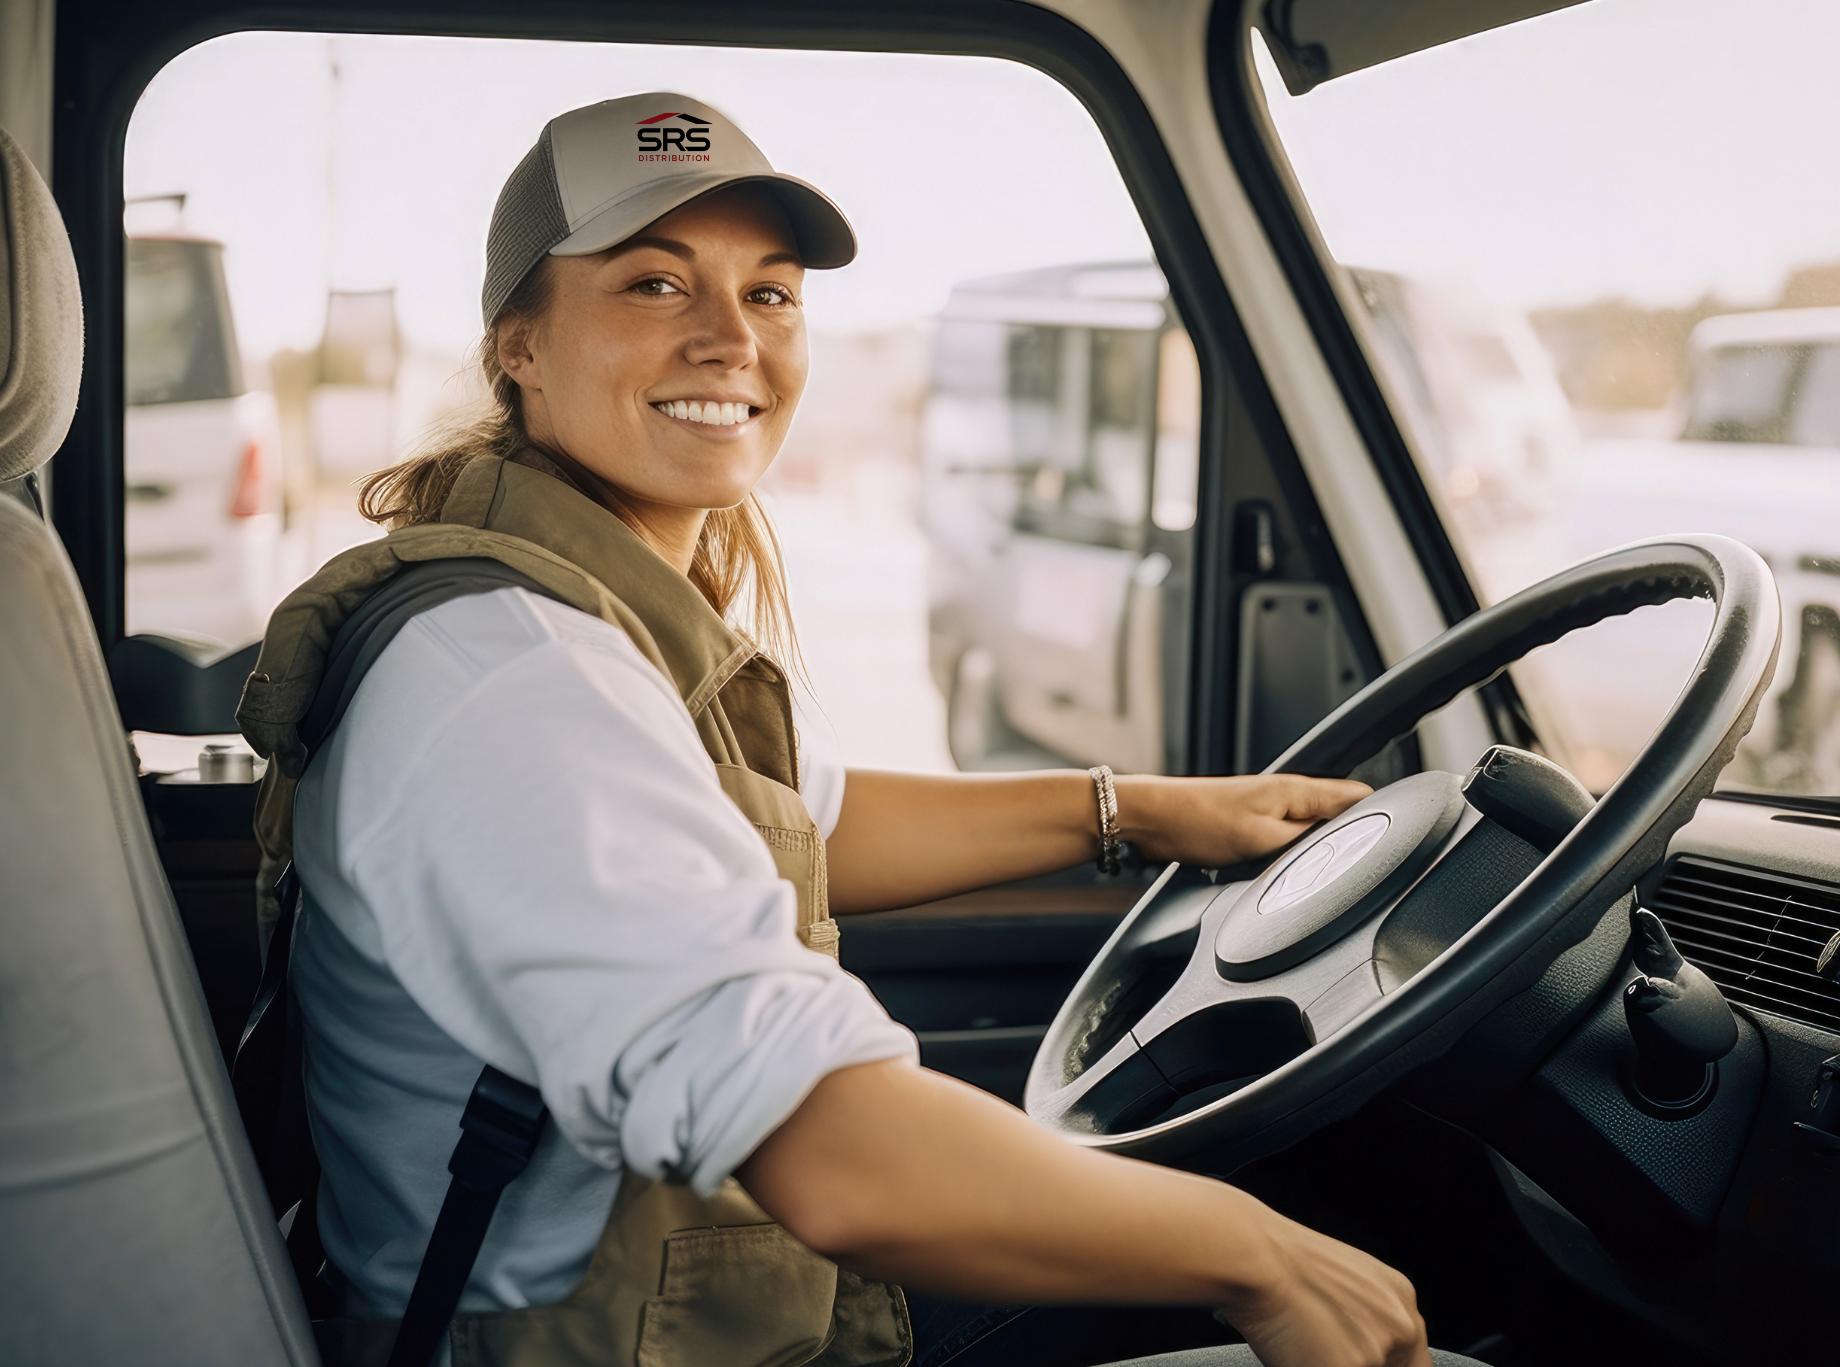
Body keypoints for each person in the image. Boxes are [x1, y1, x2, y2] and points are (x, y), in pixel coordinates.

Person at [244, 92, 1476, 1367]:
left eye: (769, 293)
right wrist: (1262, 1256)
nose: (731, 339)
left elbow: (808, 818)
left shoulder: (578, 617)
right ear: (520, 346)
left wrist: (1144, 810)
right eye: (655, 285)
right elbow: (835, 1158)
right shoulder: (513, 676)